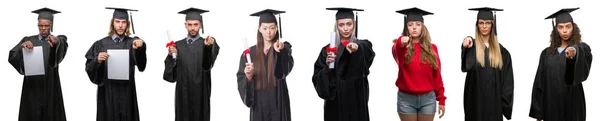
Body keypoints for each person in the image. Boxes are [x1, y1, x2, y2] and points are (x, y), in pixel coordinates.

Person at [312, 7, 375, 121]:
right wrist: (327, 67)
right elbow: (317, 77)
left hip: (356, 101)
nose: (345, 28)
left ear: (354, 25)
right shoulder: (327, 50)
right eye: (341, 25)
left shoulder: (362, 45)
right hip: (335, 104)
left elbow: (368, 54)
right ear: (336, 26)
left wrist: (357, 48)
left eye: (349, 24)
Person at [84, 7, 147, 121]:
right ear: (112, 23)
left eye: (123, 22)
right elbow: (89, 68)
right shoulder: (101, 44)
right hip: (108, 92)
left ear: (127, 24)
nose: (120, 25)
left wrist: (140, 48)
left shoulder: (131, 43)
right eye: (117, 22)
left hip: (127, 92)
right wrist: (96, 61)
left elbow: (141, 66)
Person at [529, 7, 592, 121]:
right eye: (561, 27)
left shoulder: (580, 48)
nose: (564, 31)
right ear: (555, 29)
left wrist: (574, 51)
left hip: (573, 106)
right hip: (551, 106)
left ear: (573, 27)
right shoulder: (546, 54)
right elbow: (539, 82)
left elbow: (584, 50)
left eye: (568, 26)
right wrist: (538, 114)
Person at [8, 7, 68, 121]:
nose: (43, 29)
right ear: (38, 25)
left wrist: (56, 42)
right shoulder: (29, 40)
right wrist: (22, 48)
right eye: (41, 26)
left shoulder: (56, 40)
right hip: (32, 87)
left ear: (51, 25)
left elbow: (62, 46)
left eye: (46, 26)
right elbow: (12, 57)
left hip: (51, 86)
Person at [236, 9, 294, 121]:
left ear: (277, 28)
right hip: (259, 106)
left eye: (272, 28)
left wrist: (280, 51)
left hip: (278, 104)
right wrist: (248, 76)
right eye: (265, 28)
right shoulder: (249, 53)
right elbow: (241, 79)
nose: (268, 32)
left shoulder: (283, 49)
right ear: (259, 29)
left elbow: (285, 70)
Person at [163, 7, 220, 121]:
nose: (192, 28)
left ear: (201, 25)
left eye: (195, 24)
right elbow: (170, 76)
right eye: (189, 25)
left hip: (201, 94)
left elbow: (209, 63)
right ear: (185, 25)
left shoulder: (206, 44)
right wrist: (172, 57)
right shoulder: (177, 46)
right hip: (183, 95)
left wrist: (210, 46)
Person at [392, 7, 445, 121]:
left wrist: (441, 99)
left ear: (423, 27)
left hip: (428, 99)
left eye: (418, 24)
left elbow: (437, 75)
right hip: (406, 99)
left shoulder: (432, 48)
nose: (414, 27)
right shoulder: (400, 48)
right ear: (406, 27)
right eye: (410, 24)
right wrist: (402, 40)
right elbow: (396, 50)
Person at [461, 7, 514, 121]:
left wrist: (504, 105)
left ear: (492, 25)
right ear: (477, 25)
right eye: (481, 23)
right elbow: (467, 67)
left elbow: (507, 83)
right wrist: (467, 42)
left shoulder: (502, 52)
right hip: (475, 105)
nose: (484, 26)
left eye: (487, 23)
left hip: (495, 105)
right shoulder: (472, 47)